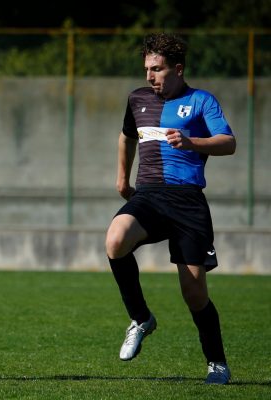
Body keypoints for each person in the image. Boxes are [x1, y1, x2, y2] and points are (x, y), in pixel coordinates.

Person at [105, 33, 236, 384]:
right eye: (147, 68)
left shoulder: (201, 101)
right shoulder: (137, 99)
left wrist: (192, 141)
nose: (150, 76)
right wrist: (122, 178)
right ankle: (141, 318)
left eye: (158, 69)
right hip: (148, 195)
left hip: (188, 202)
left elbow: (229, 142)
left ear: (178, 69)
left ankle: (217, 363)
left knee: (194, 294)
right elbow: (126, 136)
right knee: (115, 240)